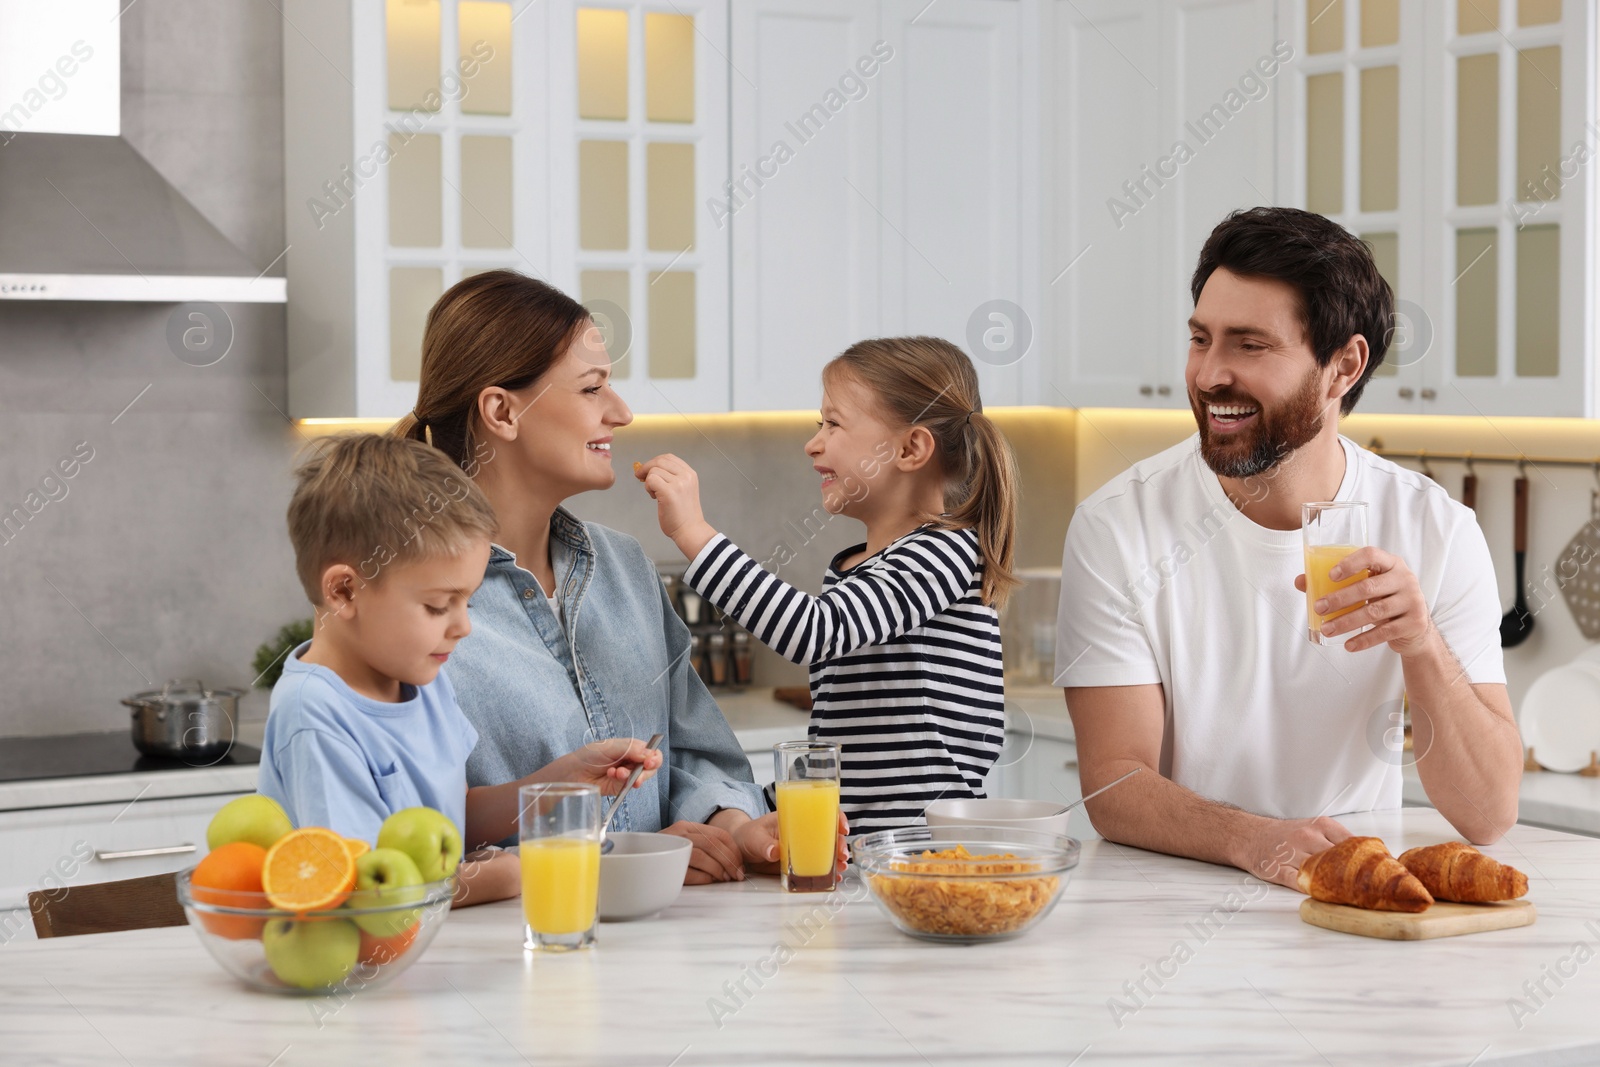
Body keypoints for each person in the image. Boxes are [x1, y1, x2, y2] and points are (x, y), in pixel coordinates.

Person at [1056, 207, 1521, 889]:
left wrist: (1419, 642)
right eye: (1200, 339)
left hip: (1357, 906)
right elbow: (1113, 784)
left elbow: (1488, 812)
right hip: (1169, 904)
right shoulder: (1118, 526)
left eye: (1249, 345)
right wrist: (1259, 841)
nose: (1211, 375)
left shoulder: (1435, 529)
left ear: (1343, 367)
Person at [394, 271, 835, 885]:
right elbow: (400, 838)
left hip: (659, 953)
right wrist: (629, 862)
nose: (621, 412)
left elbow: (700, 755)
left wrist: (732, 825)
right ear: (501, 411)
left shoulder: (624, 566)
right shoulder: (403, 599)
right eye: (593, 388)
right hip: (502, 959)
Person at [257, 434, 661, 905]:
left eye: (467, 601)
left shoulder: (419, 681)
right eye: (437, 606)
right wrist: (492, 879)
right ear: (345, 592)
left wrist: (563, 782)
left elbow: (458, 818)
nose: (463, 626)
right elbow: (358, 890)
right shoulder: (315, 714)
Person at [636, 336, 1018, 832]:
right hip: (859, 847)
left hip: (920, 849)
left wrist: (693, 533)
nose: (812, 442)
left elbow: (814, 630)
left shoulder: (942, 552)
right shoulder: (857, 567)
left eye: (833, 424)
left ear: (910, 448)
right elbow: (842, 751)